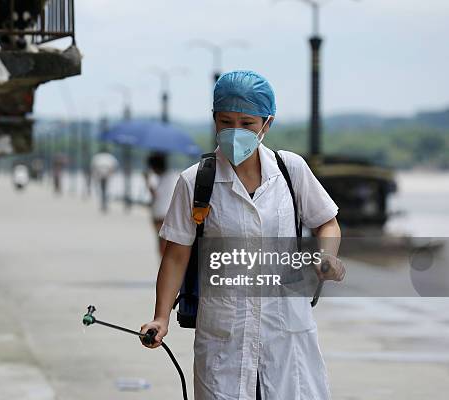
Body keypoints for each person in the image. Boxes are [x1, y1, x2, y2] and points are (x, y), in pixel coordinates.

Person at [140, 70, 345, 400]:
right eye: (226, 121)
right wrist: (160, 317)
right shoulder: (196, 182)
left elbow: (327, 222)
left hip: (286, 329)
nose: (236, 132)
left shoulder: (291, 171)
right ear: (214, 121)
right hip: (225, 334)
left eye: (247, 123)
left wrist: (327, 255)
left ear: (267, 124)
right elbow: (176, 254)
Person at [144, 152, 179, 256]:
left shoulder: (163, 178)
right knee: (164, 244)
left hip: (161, 213)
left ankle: (164, 268)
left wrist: (147, 181)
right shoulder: (171, 176)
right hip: (165, 213)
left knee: (162, 245)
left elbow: (156, 195)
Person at [91, 148, 119, 212]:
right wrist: (110, 173)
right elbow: (114, 166)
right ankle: (104, 204)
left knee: (103, 190)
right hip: (107, 174)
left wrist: (96, 175)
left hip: (101, 174)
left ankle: (103, 203)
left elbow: (93, 167)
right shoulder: (110, 157)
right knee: (105, 190)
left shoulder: (97, 157)